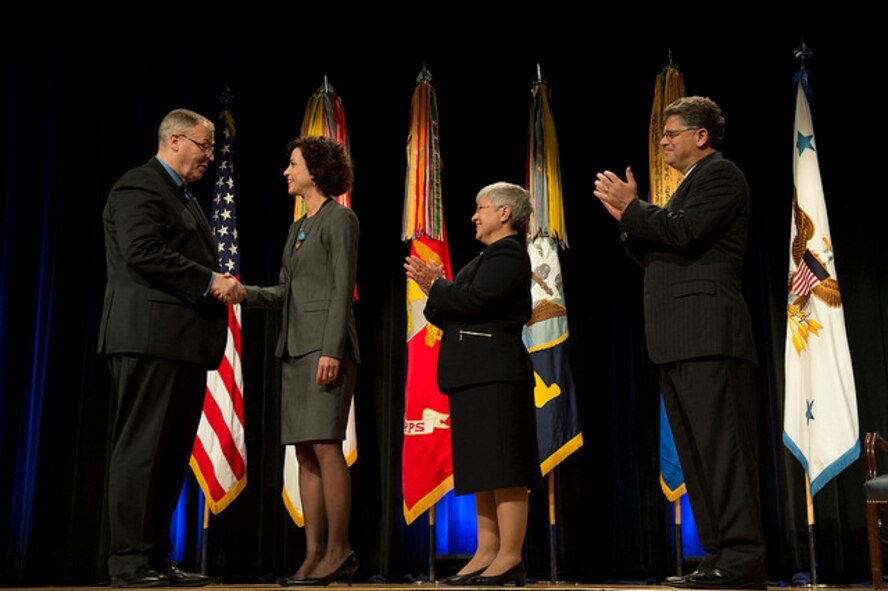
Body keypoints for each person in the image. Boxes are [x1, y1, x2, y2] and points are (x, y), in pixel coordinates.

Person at [593, 96, 765, 589]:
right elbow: (663, 253)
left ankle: (743, 558)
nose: (663, 141)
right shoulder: (686, 187)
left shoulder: (721, 175)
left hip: (710, 335)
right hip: (678, 339)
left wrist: (635, 208)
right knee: (697, 454)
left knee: (724, 451)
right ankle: (717, 554)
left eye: (671, 133)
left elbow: (685, 233)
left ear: (701, 136)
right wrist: (629, 221)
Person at [98, 108, 244, 588]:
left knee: (169, 456)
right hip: (148, 339)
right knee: (142, 451)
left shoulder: (182, 194)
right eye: (205, 146)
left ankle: (157, 557)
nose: (210, 156)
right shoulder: (139, 186)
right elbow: (142, 251)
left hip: (182, 344)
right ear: (175, 140)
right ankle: (128, 561)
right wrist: (209, 281)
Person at [233, 136, 359, 587]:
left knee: (325, 445)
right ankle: (313, 554)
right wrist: (244, 292)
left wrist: (331, 349)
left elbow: (342, 287)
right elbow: (287, 292)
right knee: (304, 451)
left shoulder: (340, 219)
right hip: (294, 349)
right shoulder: (297, 228)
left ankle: (340, 550)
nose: (286, 172)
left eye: (293, 164)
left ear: (315, 170)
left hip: (324, 349)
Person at [405, 182, 540, 587]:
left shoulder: (509, 254)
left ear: (504, 213)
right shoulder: (486, 257)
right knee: (483, 468)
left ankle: (510, 556)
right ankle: (486, 551)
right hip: (474, 375)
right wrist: (438, 291)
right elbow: (451, 309)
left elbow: (478, 300)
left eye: (481, 208)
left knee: (505, 466)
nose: (474, 216)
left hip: (497, 375)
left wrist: (438, 286)